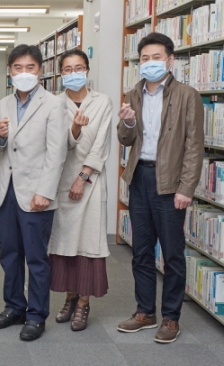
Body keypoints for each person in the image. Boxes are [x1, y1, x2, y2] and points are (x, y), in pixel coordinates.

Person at [116, 32, 204, 343]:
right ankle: (144, 312)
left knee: (172, 254)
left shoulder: (186, 95)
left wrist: (186, 187)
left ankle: (170, 317)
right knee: (140, 252)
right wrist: (126, 123)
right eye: (144, 59)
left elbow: (195, 146)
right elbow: (125, 140)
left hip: (171, 184)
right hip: (140, 178)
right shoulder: (133, 93)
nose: (150, 63)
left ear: (169, 60)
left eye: (156, 58)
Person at [0, 44, 68, 341]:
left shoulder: (54, 103)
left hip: (36, 192)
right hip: (7, 190)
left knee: (36, 257)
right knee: (9, 254)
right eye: (17, 68)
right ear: (10, 72)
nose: (23, 73)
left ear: (40, 70)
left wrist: (45, 191)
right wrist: (0, 135)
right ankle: (14, 307)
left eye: (29, 68)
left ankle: (36, 314)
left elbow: (57, 153)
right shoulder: (4, 102)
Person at [48, 49, 112, 332]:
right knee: (63, 244)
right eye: (68, 69)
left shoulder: (103, 102)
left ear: (87, 70)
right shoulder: (53, 104)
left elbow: (101, 144)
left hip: (91, 181)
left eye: (79, 67)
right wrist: (73, 130)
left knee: (88, 244)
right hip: (61, 180)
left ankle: (83, 303)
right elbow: (54, 145)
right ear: (61, 74)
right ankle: (69, 297)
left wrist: (83, 177)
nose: (74, 73)